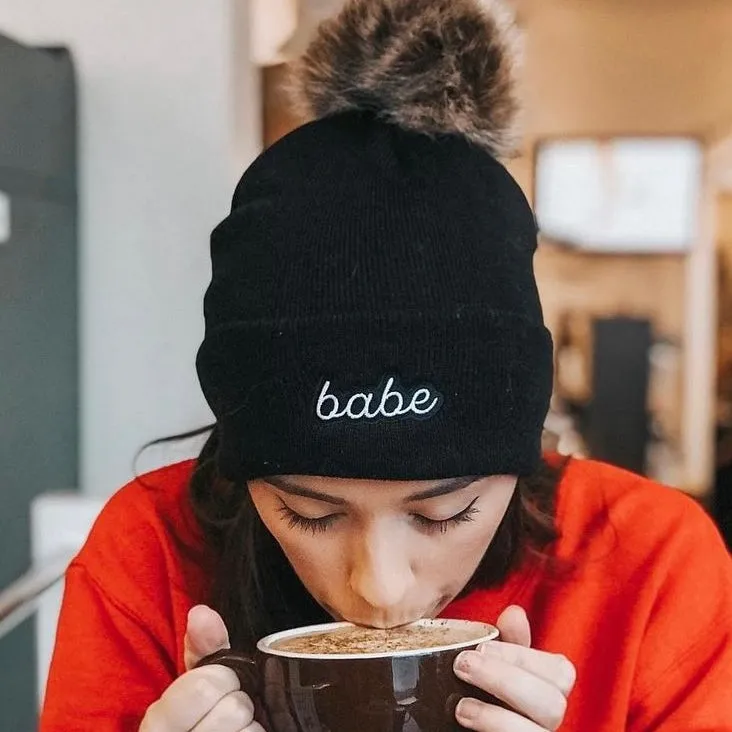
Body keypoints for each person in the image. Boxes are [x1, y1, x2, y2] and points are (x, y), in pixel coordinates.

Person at [40, 0, 732, 729]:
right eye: (310, 512)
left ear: (523, 453)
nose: (380, 589)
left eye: (446, 512)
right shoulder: (149, 558)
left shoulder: (651, 563)